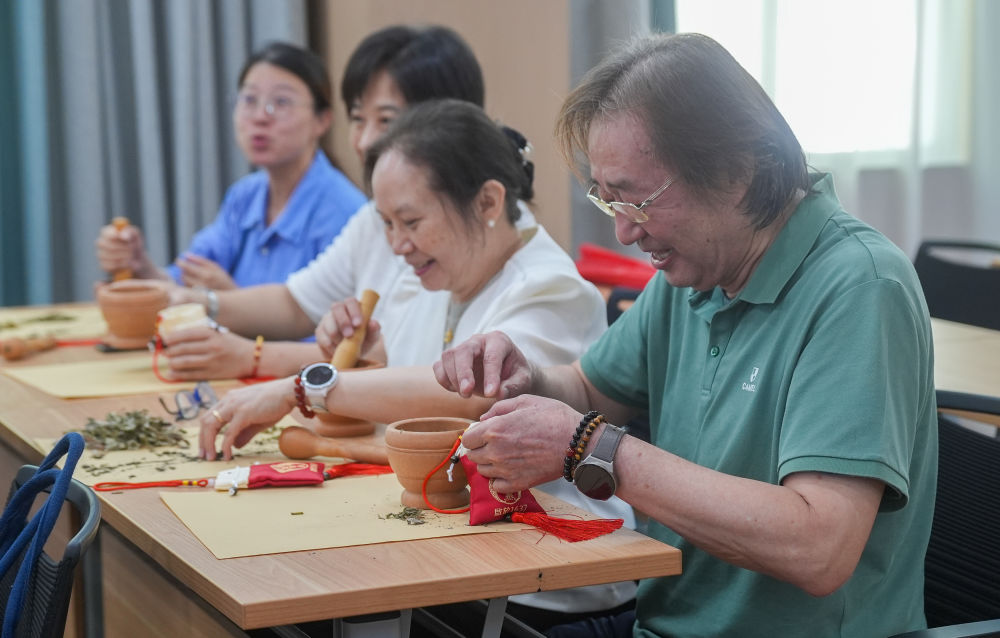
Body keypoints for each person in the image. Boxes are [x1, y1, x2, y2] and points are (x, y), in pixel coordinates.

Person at [433, 33, 937, 638]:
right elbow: (591, 389)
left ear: (737, 171)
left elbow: (817, 547)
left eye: (638, 201)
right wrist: (530, 377)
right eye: (607, 198)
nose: (623, 232)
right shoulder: (693, 272)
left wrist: (592, 448)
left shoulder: (859, 287)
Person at [199, 99, 639, 631]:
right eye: (386, 223)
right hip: (455, 556)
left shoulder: (551, 288)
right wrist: (367, 358)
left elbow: (468, 395)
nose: (396, 245)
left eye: (410, 222)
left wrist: (306, 387)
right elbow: (407, 392)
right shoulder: (432, 271)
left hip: (547, 588)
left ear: (488, 202)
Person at [157, 25, 490, 379]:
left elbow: (401, 359)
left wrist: (252, 357)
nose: (364, 141)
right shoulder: (368, 218)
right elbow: (297, 302)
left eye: (387, 121)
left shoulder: (464, 238)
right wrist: (199, 301)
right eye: (359, 119)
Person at [95, 41, 365, 290]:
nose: (260, 117)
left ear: (322, 120)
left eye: (281, 102)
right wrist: (140, 266)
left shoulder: (344, 213)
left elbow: (336, 333)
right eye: (249, 100)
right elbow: (185, 278)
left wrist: (230, 302)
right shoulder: (244, 196)